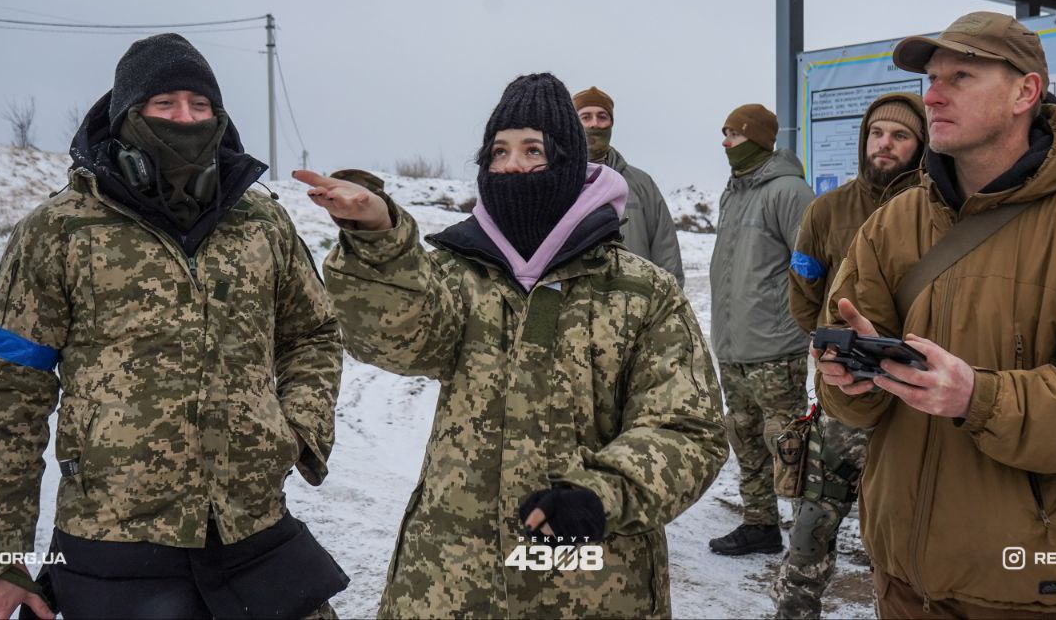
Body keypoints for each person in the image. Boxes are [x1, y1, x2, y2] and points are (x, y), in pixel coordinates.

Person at [294, 72, 726, 619]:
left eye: (533, 150)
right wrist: (379, 241)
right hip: (448, 577)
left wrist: (600, 495)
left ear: (568, 162)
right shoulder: (453, 272)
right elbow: (394, 343)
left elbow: (688, 429)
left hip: (588, 575)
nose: (514, 165)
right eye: (499, 151)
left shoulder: (640, 291)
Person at [0, 34, 346, 620]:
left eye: (200, 105)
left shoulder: (261, 221)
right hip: (113, 541)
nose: (185, 118)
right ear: (126, 116)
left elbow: (312, 335)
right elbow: (7, 393)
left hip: (254, 530)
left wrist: (295, 431)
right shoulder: (59, 229)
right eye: (164, 104)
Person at [816, 11, 1056, 618]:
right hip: (906, 581)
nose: (932, 95)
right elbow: (856, 404)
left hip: (1037, 589)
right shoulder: (894, 223)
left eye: (960, 76)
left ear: (1024, 92)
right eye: (932, 78)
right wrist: (850, 380)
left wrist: (978, 398)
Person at [771, 92, 926, 619]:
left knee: (908, 526)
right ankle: (795, 609)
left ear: (920, 144)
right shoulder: (826, 210)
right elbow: (803, 294)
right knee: (815, 520)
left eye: (900, 136)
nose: (885, 145)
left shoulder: (935, 209)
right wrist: (835, 350)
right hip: (843, 395)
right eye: (877, 134)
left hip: (914, 400)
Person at [707, 103, 814, 556]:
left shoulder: (789, 191)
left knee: (787, 443)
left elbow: (811, 266)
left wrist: (807, 327)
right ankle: (760, 525)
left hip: (775, 346)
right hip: (734, 344)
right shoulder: (733, 192)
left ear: (755, 137)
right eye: (725, 133)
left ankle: (808, 533)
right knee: (745, 437)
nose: (726, 142)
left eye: (733, 133)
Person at [573, 86, 684, 286]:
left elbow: (666, 251)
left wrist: (669, 305)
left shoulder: (641, 184)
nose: (595, 124)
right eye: (586, 117)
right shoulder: (556, 183)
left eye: (602, 117)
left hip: (634, 306)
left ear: (611, 124)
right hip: (575, 311)